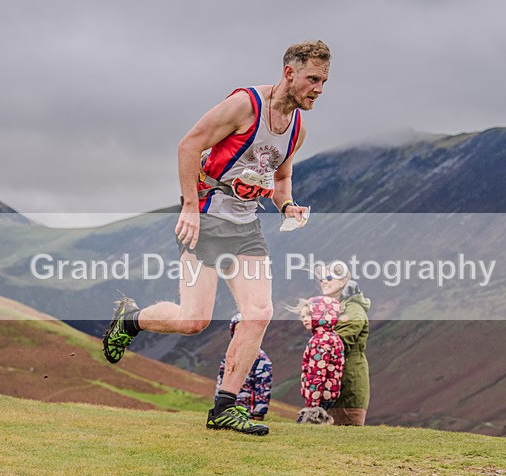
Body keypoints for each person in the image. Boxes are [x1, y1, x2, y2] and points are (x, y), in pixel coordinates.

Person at [102, 40, 331, 435]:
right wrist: (189, 205)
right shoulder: (245, 105)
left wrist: (288, 206)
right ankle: (131, 320)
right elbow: (189, 144)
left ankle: (224, 407)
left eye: (324, 81)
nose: (319, 89)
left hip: (245, 228)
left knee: (259, 312)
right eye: (313, 79)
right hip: (206, 220)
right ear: (290, 73)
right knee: (194, 320)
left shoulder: (297, 129)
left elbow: (280, 178)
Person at [317, 264, 371, 426]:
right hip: (331, 383)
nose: (323, 282)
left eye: (329, 278)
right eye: (321, 279)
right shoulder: (333, 309)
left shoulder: (354, 309)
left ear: (343, 282)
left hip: (348, 385)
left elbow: (340, 342)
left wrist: (316, 347)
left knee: (346, 439)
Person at [291, 296, 344, 424]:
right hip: (327, 392)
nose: (304, 319)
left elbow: (317, 373)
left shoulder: (320, 340)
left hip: (318, 396)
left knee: (308, 425)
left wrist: (311, 404)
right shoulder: (332, 336)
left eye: (309, 315)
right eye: (303, 316)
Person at [214, 313, 272, 421]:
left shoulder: (261, 359)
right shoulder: (229, 356)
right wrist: (218, 404)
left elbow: (263, 386)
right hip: (228, 410)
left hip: (248, 412)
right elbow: (220, 382)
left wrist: (259, 412)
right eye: (237, 330)